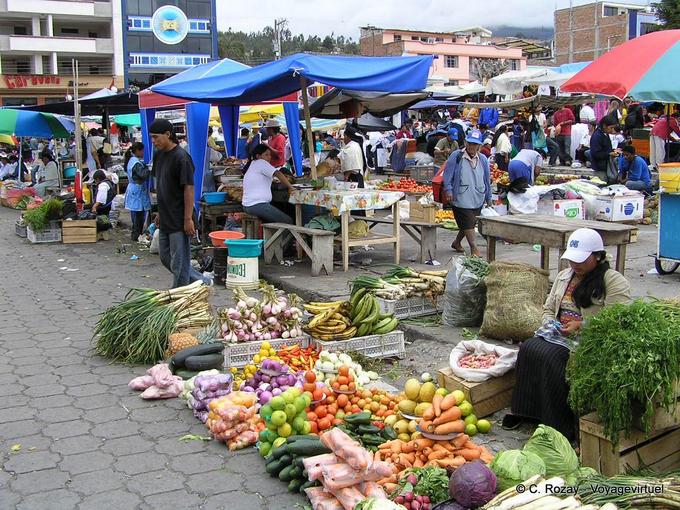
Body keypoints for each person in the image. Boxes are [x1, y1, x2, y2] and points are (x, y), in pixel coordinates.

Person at [502, 229, 631, 440]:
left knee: (551, 357)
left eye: (581, 260)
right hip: (558, 332)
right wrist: (549, 324)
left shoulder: (613, 281)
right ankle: (527, 412)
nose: (575, 264)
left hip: (589, 339)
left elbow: (618, 320)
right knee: (528, 348)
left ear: (597, 256)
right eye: (572, 259)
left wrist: (582, 325)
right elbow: (548, 308)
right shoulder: (564, 276)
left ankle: (559, 425)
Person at [149, 119, 209, 289]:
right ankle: (202, 281)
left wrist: (188, 218)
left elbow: (189, 189)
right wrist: (159, 212)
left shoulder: (182, 157)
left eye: (156, 137)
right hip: (166, 216)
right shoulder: (159, 155)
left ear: (168, 135)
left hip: (180, 217)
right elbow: (161, 185)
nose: (153, 141)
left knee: (179, 262)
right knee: (165, 257)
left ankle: (178, 297)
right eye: (152, 138)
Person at [442, 129, 492, 257]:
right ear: (465, 142)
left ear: (479, 146)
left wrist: (488, 197)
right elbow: (448, 174)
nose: (471, 146)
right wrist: (448, 189)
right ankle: (474, 248)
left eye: (475, 144)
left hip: (477, 195)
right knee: (468, 220)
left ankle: (457, 242)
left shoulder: (483, 159)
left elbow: (487, 180)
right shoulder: (457, 156)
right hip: (461, 195)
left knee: (469, 222)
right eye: (469, 143)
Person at [241, 144, 295, 223]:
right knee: (288, 221)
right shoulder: (260, 162)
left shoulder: (254, 164)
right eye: (266, 155)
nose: (269, 157)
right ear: (258, 156)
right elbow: (278, 173)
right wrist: (291, 187)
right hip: (256, 205)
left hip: (250, 205)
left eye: (270, 155)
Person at [124, 142, 152, 242]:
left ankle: (136, 233)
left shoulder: (132, 161)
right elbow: (142, 175)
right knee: (138, 214)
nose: (143, 152)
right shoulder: (135, 163)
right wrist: (149, 169)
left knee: (135, 213)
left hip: (134, 189)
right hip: (137, 189)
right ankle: (137, 234)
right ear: (137, 151)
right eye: (142, 150)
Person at [589, 115, 619, 183]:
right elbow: (595, 153)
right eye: (611, 128)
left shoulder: (605, 133)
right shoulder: (597, 136)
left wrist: (613, 151)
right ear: (604, 126)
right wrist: (609, 154)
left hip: (606, 166)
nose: (612, 130)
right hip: (600, 168)